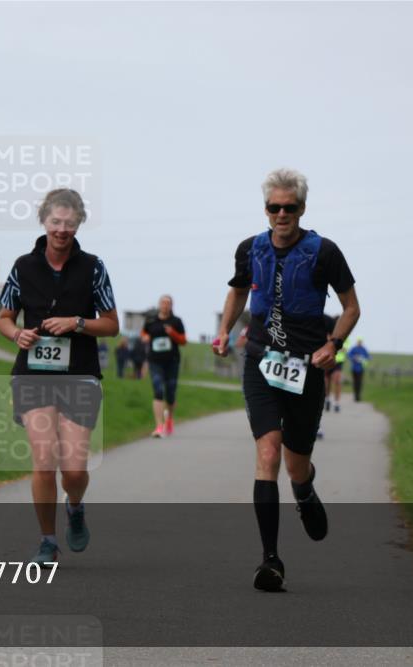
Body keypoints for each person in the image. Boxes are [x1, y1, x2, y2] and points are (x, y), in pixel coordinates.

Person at [212, 168, 359, 592]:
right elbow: (238, 291)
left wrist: (334, 344)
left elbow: (351, 307)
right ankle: (271, 560)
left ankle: (305, 489)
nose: (281, 214)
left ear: (302, 209)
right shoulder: (249, 249)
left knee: (295, 464)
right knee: (268, 452)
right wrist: (224, 330)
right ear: (265, 210)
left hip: (307, 367)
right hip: (260, 361)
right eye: (274, 207)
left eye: (289, 208)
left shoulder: (324, 251)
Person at [0, 188, 119, 567]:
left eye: (69, 223)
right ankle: (47, 541)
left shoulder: (94, 267)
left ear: (79, 223)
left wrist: (77, 322)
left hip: (79, 375)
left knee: (75, 469)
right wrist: (18, 334)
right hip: (33, 374)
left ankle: (76, 505)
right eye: (55, 222)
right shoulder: (23, 266)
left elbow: (112, 325)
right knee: (44, 459)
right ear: (43, 221)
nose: (62, 230)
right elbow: (3, 318)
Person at [141, 295, 186, 437]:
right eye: (163, 303)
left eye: (168, 303)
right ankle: (159, 426)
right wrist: (145, 337)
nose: (165, 306)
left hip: (172, 361)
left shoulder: (176, 321)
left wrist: (172, 333)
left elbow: (184, 341)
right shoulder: (151, 320)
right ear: (159, 305)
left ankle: (170, 418)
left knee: (171, 393)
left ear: (171, 306)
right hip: (155, 361)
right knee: (158, 389)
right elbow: (143, 332)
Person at [325, 331, 346, 412]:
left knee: (337, 381)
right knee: (327, 381)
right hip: (329, 359)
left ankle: (337, 403)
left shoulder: (345, 335)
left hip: (338, 362)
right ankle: (327, 399)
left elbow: (345, 349)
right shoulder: (328, 334)